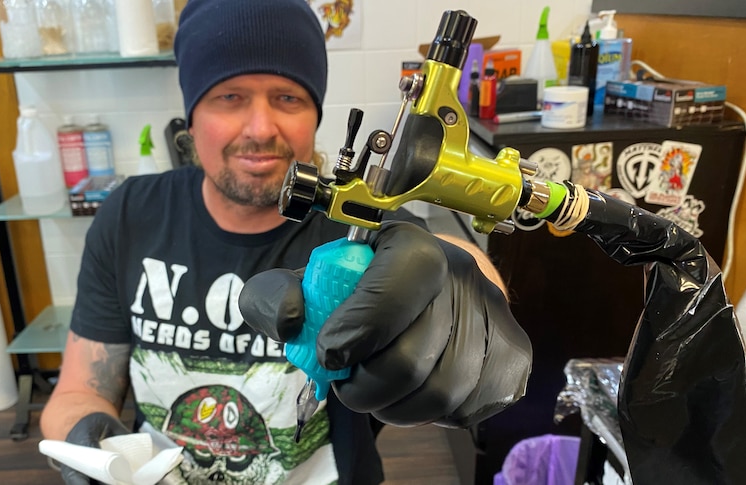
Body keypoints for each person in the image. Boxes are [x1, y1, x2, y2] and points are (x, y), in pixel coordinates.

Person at [40, 0, 532, 483]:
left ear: (314, 115)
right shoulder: (130, 214)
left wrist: (470, 307)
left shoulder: (356, 227)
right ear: (190, 119)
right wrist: (87, 442)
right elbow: (79, 391)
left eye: (287, 98)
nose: (260, 128)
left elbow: (447, 262)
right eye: (229, 97)